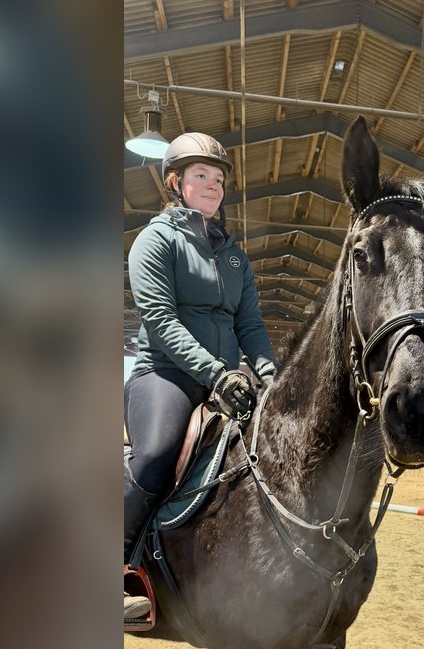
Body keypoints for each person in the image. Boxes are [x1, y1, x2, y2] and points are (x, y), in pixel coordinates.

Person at [123, 133, 277, 619]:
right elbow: (160, 319)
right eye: (201, 176)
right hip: (165, 375)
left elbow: (250, 325)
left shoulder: (234, 257)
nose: (213, 185)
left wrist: (269, 374)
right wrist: (216, 373)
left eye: (218, 179)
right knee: (155, 454)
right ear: (176, 183)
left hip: (226, 381)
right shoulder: (155, 241)